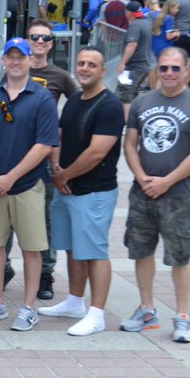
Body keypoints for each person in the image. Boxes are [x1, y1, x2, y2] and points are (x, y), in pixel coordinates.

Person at [122, 46, 190, 343]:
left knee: (180, 257)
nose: (169, 74)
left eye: (176, 68)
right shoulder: (142, 102)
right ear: (157, 71)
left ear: (188, 70)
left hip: (179, 196)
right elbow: (130, 145)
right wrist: (141, 177)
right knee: (142, 251)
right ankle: (147, 309)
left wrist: (166, 181)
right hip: (143, 193)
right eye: (164, 68)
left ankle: (182, 316)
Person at [0, 38, 59, 332]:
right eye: (11, 57)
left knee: (32, 248)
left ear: (31, 60)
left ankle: (29, 306)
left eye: (21, 57)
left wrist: (12, 177)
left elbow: (44, 144)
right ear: (4, 61)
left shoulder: (42, 98)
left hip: (28, 186)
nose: (16, 61)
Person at [37, 46, 125, 336]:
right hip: (67, 187)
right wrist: (57, 168)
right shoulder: (74, 100)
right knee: (73, 247)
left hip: (94, 192)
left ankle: (97, 313)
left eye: (92, 64)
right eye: (81, 63)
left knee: (95, 251)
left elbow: (97, 153)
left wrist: (64, 174)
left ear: (103, 71)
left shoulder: (109, 106)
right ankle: (75, 302)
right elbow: (60, 136)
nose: (85, 68)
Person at [117, 1, 154, 115]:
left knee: (125, 95)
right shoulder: (146, 22)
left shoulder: (135, 26)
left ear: (128, 12)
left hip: (134, 66)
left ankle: (127, 124)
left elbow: (132, 45)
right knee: (133, 95)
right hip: (144, 64)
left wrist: (122, 62)